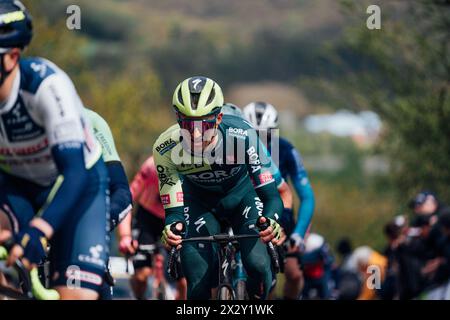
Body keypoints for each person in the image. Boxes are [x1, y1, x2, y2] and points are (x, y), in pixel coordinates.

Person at [0, 1, 109, 299]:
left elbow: (74, 173)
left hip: (78, 183)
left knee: (75, 296)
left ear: (11, 58)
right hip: (16, 185)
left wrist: (39, 230)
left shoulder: (46, 86)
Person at [155, 76, 284, 300]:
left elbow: (271, 196)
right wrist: (171, 229)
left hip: (242, 198)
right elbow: (174, 212)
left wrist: (272, 220)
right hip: (199, 204)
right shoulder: (165, 148)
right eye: (187, 125)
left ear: (219, 118)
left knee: (258, 265)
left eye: (204, 125)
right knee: (197, 278)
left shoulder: (242, 136)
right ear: (177, 120)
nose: (195, 134)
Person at [243, 101, 315, 299]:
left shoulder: (285, 150)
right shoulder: (234, 147)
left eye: (265, 135)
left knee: (293, 273)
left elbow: (307, 197)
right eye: (254, 134)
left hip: (279, 213)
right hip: (245, 211)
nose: (259, 140)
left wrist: (298, 233)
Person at [117, 155, 187, 300]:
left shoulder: (194, 168)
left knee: (185, 281)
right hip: (147, 218)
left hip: (176, 219)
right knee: (141, 276)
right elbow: (127, 200)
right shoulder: (151, 167)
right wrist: (125, 236)